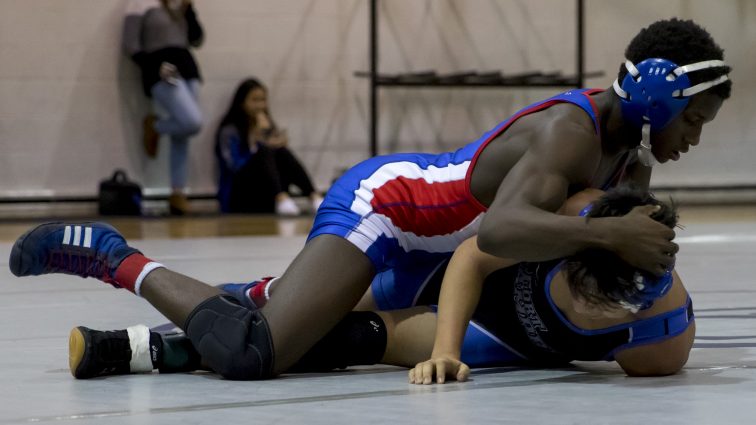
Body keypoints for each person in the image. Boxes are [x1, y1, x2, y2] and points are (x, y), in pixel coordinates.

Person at [11, 19, 729, 381]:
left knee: (293, 324)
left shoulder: (629, 164)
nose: (693, 139)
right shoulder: (570, 131)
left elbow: (543, 256)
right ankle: (113, 257)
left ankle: (158, 340)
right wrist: (610, 239)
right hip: (392, 211)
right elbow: (507, 229)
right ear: (659, 97)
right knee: (261, 351)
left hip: (433, 255)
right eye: (693, 120)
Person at [61, 186, 692, 380]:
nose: (593, 309)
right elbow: (473, 256)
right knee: (283, 307)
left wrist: (449, 351)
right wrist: (444, 348)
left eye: (613, 307)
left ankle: (146, 347)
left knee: (346, 340)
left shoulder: (659, 341)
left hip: (506, 338)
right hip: (447, 275)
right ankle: (117, 259)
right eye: (585, 289)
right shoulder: (574, 218)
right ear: (581, 247)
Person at [123, 0, 204, 215]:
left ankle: (177, 192)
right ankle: (155, 126)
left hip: (187, 68)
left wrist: (189, 12)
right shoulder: (140, 4)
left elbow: (196, 39)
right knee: (192, 122)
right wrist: (153, 65)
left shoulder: (180, 5)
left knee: (183, 133)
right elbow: (130, 43)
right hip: (161, 69)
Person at [215, 78, 324, 215]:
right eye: (254, 100)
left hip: (264, 192)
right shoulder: (229, 130)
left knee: (282, 152)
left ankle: (313, 196)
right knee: (264, 150)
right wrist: (256, 142)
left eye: (263, 100)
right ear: (242, 102)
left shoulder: (266, 124)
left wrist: (276, 143)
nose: (260, 106)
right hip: (239, 195)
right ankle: (281, 198)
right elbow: (233, 166)